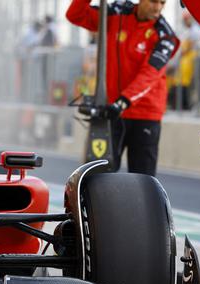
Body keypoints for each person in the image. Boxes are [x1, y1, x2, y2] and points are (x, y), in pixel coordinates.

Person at [67, 0, 180, 176]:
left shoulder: (165, 35)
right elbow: (75, 15)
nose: (157, 7)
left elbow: (150, 73)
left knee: (144, 180)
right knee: (98, 175)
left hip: (144, 114)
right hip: (111, 111)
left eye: (162, 2)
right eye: (153, 1)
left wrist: (122, 102)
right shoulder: (116, 13)